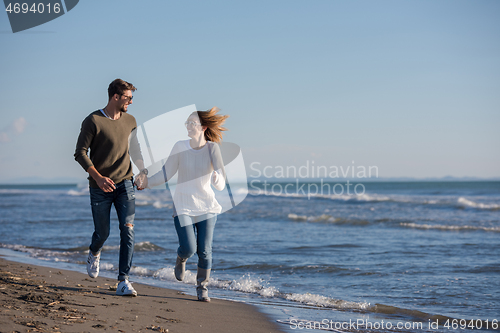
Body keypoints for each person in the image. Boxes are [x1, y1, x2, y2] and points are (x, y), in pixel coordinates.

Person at [74, 78, 148, 296]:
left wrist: (143, 172)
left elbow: (135, 150)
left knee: (128, 230)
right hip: (100, 186)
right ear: (115, 97)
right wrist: (97, 178)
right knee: (103, 233)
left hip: (125, 183)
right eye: (128, 98)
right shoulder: (93, 121)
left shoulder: (131, 120)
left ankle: (123, 280)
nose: (131, 102)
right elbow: (80, 153)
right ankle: (94, 252)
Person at [148, 107, 228, 302]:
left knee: (205, 250)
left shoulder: (212, 148)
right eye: (187, 123)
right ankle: (181, 257)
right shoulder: (180, 146)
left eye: (193, 123)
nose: (189, 126)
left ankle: (202, 288)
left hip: (207, 206)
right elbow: (166, 173)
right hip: (183, 205)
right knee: (189, 247)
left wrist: (217, 178)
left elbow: (221, 182)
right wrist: (146, 182)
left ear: (203, 127)